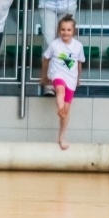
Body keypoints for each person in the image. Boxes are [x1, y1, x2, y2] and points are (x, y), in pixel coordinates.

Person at [28, 0, 86, 95]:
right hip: (47, 2)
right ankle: (49, 81)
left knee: (65, 41)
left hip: (68, 3)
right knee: (50, 41)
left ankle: (64, 79)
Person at [40, 14, 84, 150]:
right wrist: (44, 75)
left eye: (68, 30)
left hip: (71, 78)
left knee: (67, 110)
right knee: (60, 89)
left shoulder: (78, 46)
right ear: (59, 31)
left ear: (73, 31)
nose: (65, 32)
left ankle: (62, 136)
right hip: (57, 75)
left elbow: (79, 64)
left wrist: (78, 79)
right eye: (63, 29)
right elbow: (46, 59)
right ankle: (60, 109)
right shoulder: (55, 44)